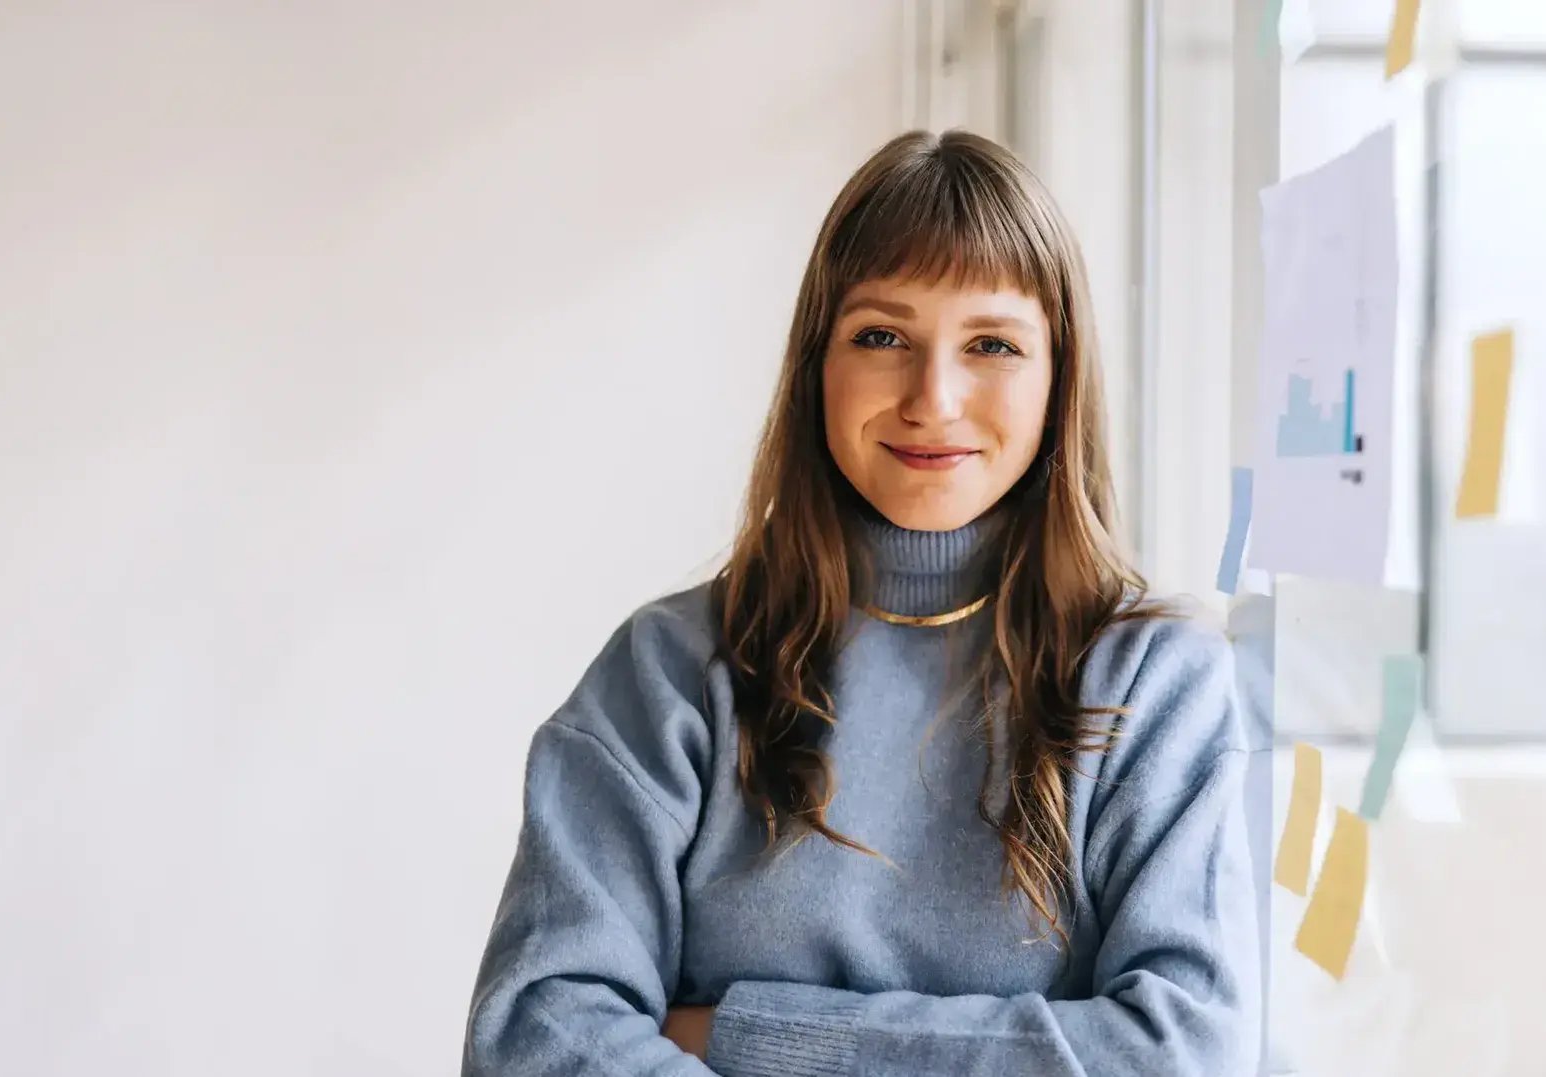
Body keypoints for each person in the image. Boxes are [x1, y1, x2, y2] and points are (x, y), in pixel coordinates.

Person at [461, 129, 1259, 1076]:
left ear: (1059, 378)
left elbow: (1183, 1054)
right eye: (882, 336)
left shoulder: (1157, 683)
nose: (934, 396)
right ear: (816, 367)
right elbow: (534, 1035)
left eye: (992, 344)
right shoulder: (668, 672)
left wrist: (744, 1033)